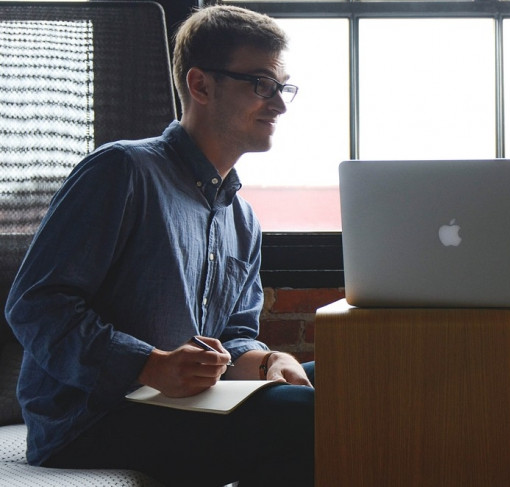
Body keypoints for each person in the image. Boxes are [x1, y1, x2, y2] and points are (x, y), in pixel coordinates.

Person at [5, 6, 314, 486]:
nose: (279, 105)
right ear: (201, 85)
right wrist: (148, 365)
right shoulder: (122, 171)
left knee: (347, 386)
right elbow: (35, 305)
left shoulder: (242, 219)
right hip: (91, 419)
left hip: (185, 404)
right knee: (309, 415)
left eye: (282, 87)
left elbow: (234, 335)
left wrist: (269, 360)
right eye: (261, 84)